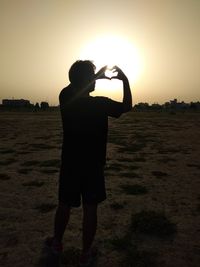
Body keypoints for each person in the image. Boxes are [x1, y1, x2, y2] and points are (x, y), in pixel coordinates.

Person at [46, 60, 132, 267]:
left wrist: (93, 76)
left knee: (64, 204)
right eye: (92, 76)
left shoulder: (66, 98)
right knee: (90, 208)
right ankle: (85, 254)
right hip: (93, 166)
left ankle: (57, 243)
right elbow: (126, 106)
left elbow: (73, 84)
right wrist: (124, 80)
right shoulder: (99, 104)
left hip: (70, 164)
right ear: (87, 81)